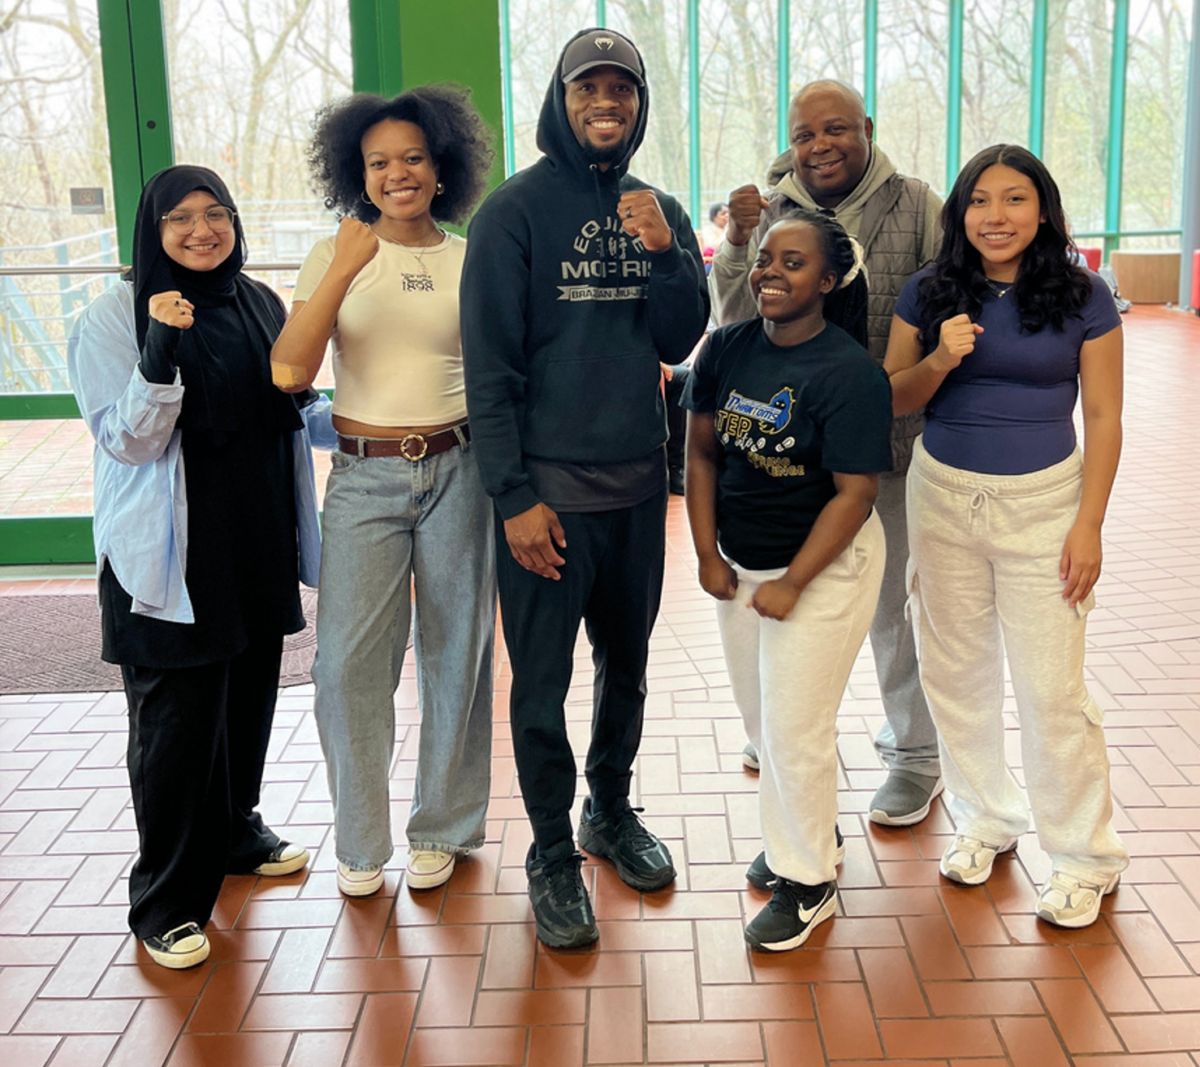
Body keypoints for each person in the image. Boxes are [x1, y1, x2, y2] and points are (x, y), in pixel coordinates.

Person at [460, 27, 709, 949]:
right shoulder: (512, 213)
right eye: (587, 88)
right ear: (560, 101)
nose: (606, 102)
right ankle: (552, 852)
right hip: (547, 502)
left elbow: (678, 339)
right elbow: (489, 371)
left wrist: (665, 251)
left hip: (639, 491)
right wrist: (514, 497)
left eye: (623, 89)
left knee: (628, 667)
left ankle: (609, 810)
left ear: (640, 105)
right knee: (541, 684)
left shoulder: (660, 207)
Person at [68, 165, 329, 969]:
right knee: (175, 723)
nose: (200, 231)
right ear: (152, 232)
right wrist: (160, 344)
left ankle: (234, 831)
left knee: (246, 696)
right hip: (166, 551)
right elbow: (127, 439)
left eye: (215, 214)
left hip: (252, 536)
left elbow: (290, 407)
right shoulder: (111, 315)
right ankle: (166, 899)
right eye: (179, 219)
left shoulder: (257, 301)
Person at [884, 144, 1128, 928]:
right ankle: (987, 816)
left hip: (1045, 504)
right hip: (944, 496)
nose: (997, 216)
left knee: (1052, 687)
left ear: (1045, 211)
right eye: (981, 200)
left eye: (1015, 199)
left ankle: (1085, 853)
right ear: (960, 214)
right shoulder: (927, 291)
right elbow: (889, 398)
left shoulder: (1087, 296)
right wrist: (940, 356)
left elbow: (1105, 417)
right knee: (955, 673)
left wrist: (1088, 523)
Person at [270, 86, 496, 899]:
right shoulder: (333, 254)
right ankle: (360, 839)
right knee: (345, 667)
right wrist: (343, 266)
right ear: (355, 174)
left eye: (413, 158)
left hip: (460, 468)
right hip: (364, 473)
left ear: (442, 169)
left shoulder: (472, 257)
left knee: (457, 651)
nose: (397, 173)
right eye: (378, 162)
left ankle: (443, 825)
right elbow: (291, 369)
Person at [709, 80, 945, 828]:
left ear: (866, 128)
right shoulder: (770, 207)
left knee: (892, 612)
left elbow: (949, 302)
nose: (821, 145)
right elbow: (735, 318)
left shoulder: (914, 203)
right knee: (776, 606)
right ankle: (779, 733)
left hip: (884, 453)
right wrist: (741, 242)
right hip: (781, 457)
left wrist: (914, 384)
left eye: (837, 129)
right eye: (806, 133)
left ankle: (915, 754)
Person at [684, 213, 890, 950]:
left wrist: (797, 581)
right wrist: (708, 553)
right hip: (743, 563)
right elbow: (702, 453)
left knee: (795, 724)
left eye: (792, 262)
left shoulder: (849, 372)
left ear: (828, 282)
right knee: (763, 720)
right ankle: (808, 827)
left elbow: (854, 493)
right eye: (765, 258)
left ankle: (809, 882)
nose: (769, 271)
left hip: (827, 564)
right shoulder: (730, 347)